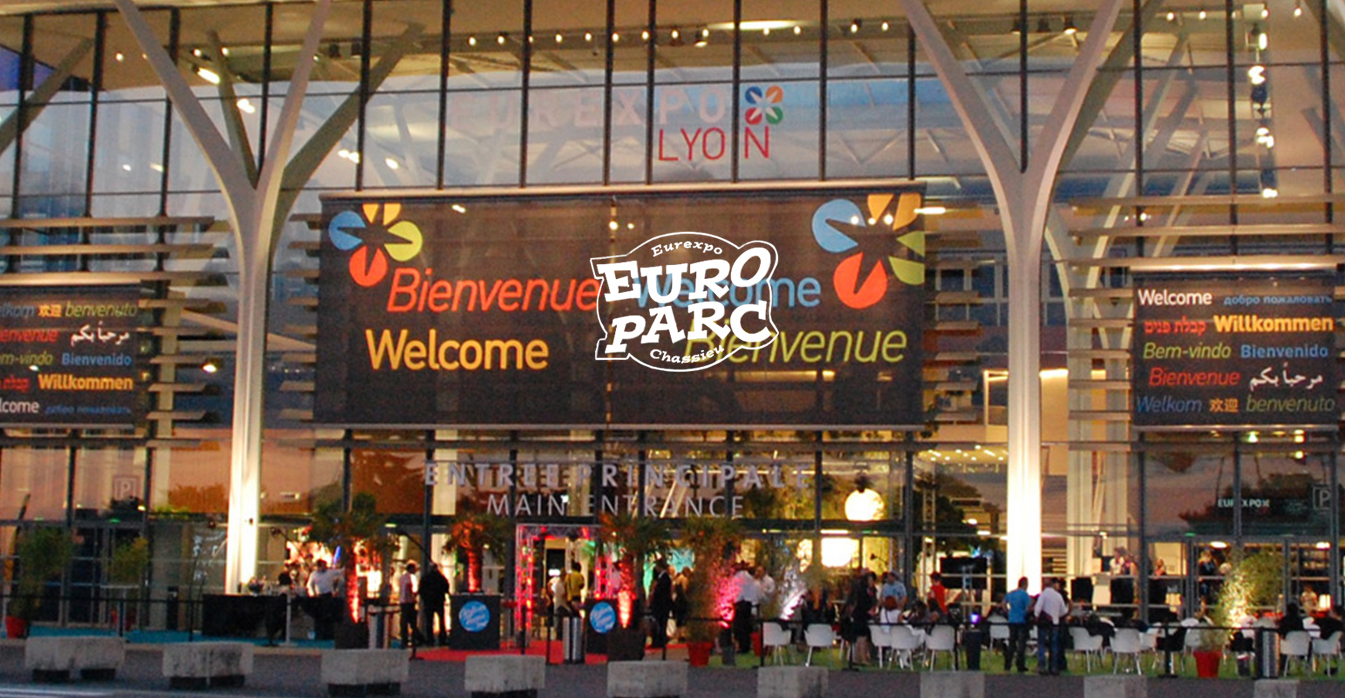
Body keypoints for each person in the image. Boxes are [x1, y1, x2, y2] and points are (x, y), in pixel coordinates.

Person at [1034, 576, 1069, 675]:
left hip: (1044, 624)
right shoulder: (1058, 596)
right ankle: (1054, 667)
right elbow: (1063, 611)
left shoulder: (1043, 595)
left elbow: (1037, 609)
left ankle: (1042, 666)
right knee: (1054, 646)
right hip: (1054, 624)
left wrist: (1036, 617)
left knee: (1042, 645)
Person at [306, 559, 342, 640]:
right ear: (318, 566)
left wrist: (337, 590)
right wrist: (312, 594)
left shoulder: (330, 572)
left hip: (328, 596)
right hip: (319, 597)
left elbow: (340, 572)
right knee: (319, 617)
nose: (325, 567)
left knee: (329, 616)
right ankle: (319, 635)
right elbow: (309, 585)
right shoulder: (314, 574)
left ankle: (329, 635)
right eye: (323, 566)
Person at [1003, 576, 1032, 673]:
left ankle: (1007, 664)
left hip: (1012, 620)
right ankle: (1020, 665)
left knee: (1011, 643)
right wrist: (1025, 613)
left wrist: (1008, 612)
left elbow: (1003, 603)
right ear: (1025, 584)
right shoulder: (1024, 595)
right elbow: (1029, 607)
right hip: (1021, 621)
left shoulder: (1011, 593)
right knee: (1021, 644)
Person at [731, 563, 761, 654]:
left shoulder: (741, 577)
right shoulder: (754, 582)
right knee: (746, 628)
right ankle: (745, 646)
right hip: (748, 606)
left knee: (741, 628)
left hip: (741, 605)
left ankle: (742, 646)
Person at [419, 561, 450, 646]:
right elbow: (446, 587)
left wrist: (425, 599)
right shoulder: (441, 577)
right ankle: (442, 639)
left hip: (429, 602)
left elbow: (421, 590)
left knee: (429, 621)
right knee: (441, 621)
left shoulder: (425, 578)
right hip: (439, 601)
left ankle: (430, 640)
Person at [648, 560, 673, 649]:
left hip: (662, 605)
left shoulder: (665, 578)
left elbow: (662, 593)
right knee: (660, 623)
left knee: (661, 623)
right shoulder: (661, 578)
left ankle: (660, 641)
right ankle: (658, 641)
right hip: (661, 605)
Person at [397, 561, 420, 649]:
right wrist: (412, 597)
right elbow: (408, 588)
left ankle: (405, 639)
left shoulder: (402, 577)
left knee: (404, 621)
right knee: (411, 621)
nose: (415, 570)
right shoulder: (409, 577)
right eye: (414, 569)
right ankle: (415, 638)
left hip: (403, 602)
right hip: (408, 602)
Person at [672, 567, 690, 640]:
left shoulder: (677, 579)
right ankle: (682, 634)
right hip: (682, 601)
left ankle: (677, 634)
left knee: (678, 619)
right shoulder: (684, 579)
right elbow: (684, 590)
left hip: (677, 600)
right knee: (683, 618)